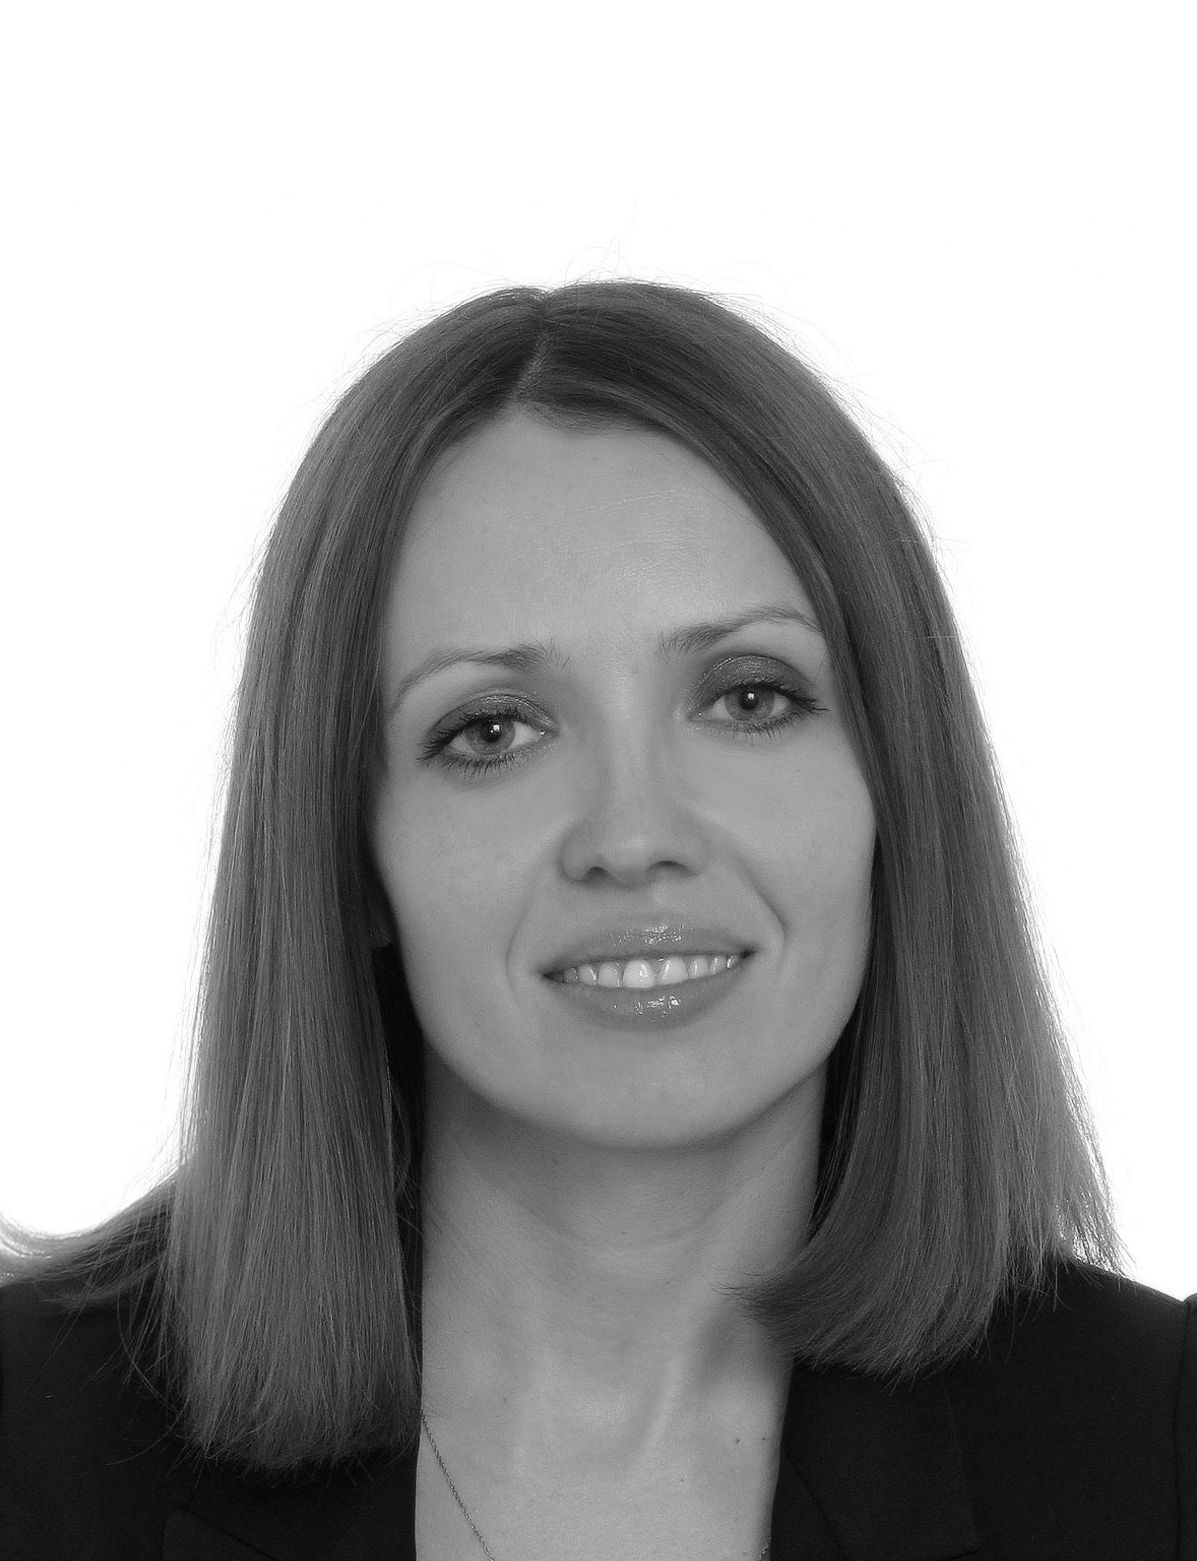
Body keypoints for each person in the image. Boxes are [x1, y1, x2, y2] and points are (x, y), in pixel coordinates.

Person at [0, 279, 1192, 1560]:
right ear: (348, 853)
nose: (633, 835)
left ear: (898, 786)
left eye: (748, 698)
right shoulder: (29, 1446)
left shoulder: (1156, 1450)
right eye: (492, 730)